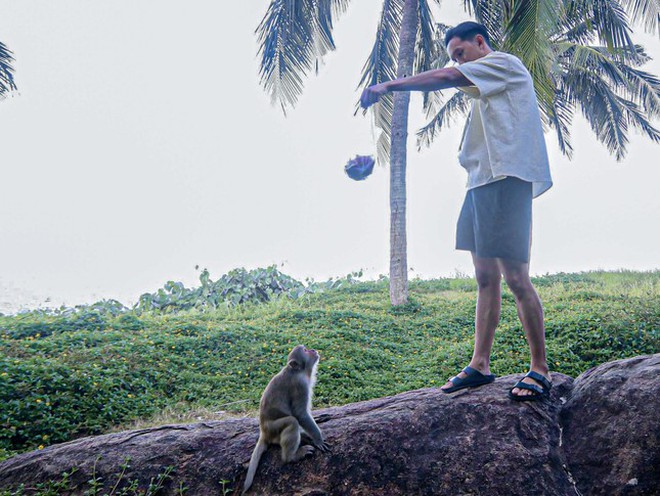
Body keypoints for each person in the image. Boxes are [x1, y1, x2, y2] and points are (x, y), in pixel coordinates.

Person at [360, 21, 553, 401]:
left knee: (515, 277)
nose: (457, 62)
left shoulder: (505, 64)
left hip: (506, 179)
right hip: (480, 182)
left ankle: (540, 368)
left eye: (461, 52)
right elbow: (456, 78)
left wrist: (389, 85)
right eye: (454, 56)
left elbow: (447, 76)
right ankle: (480, 364)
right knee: (485, 276)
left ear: (480, 43)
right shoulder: (483, 88)